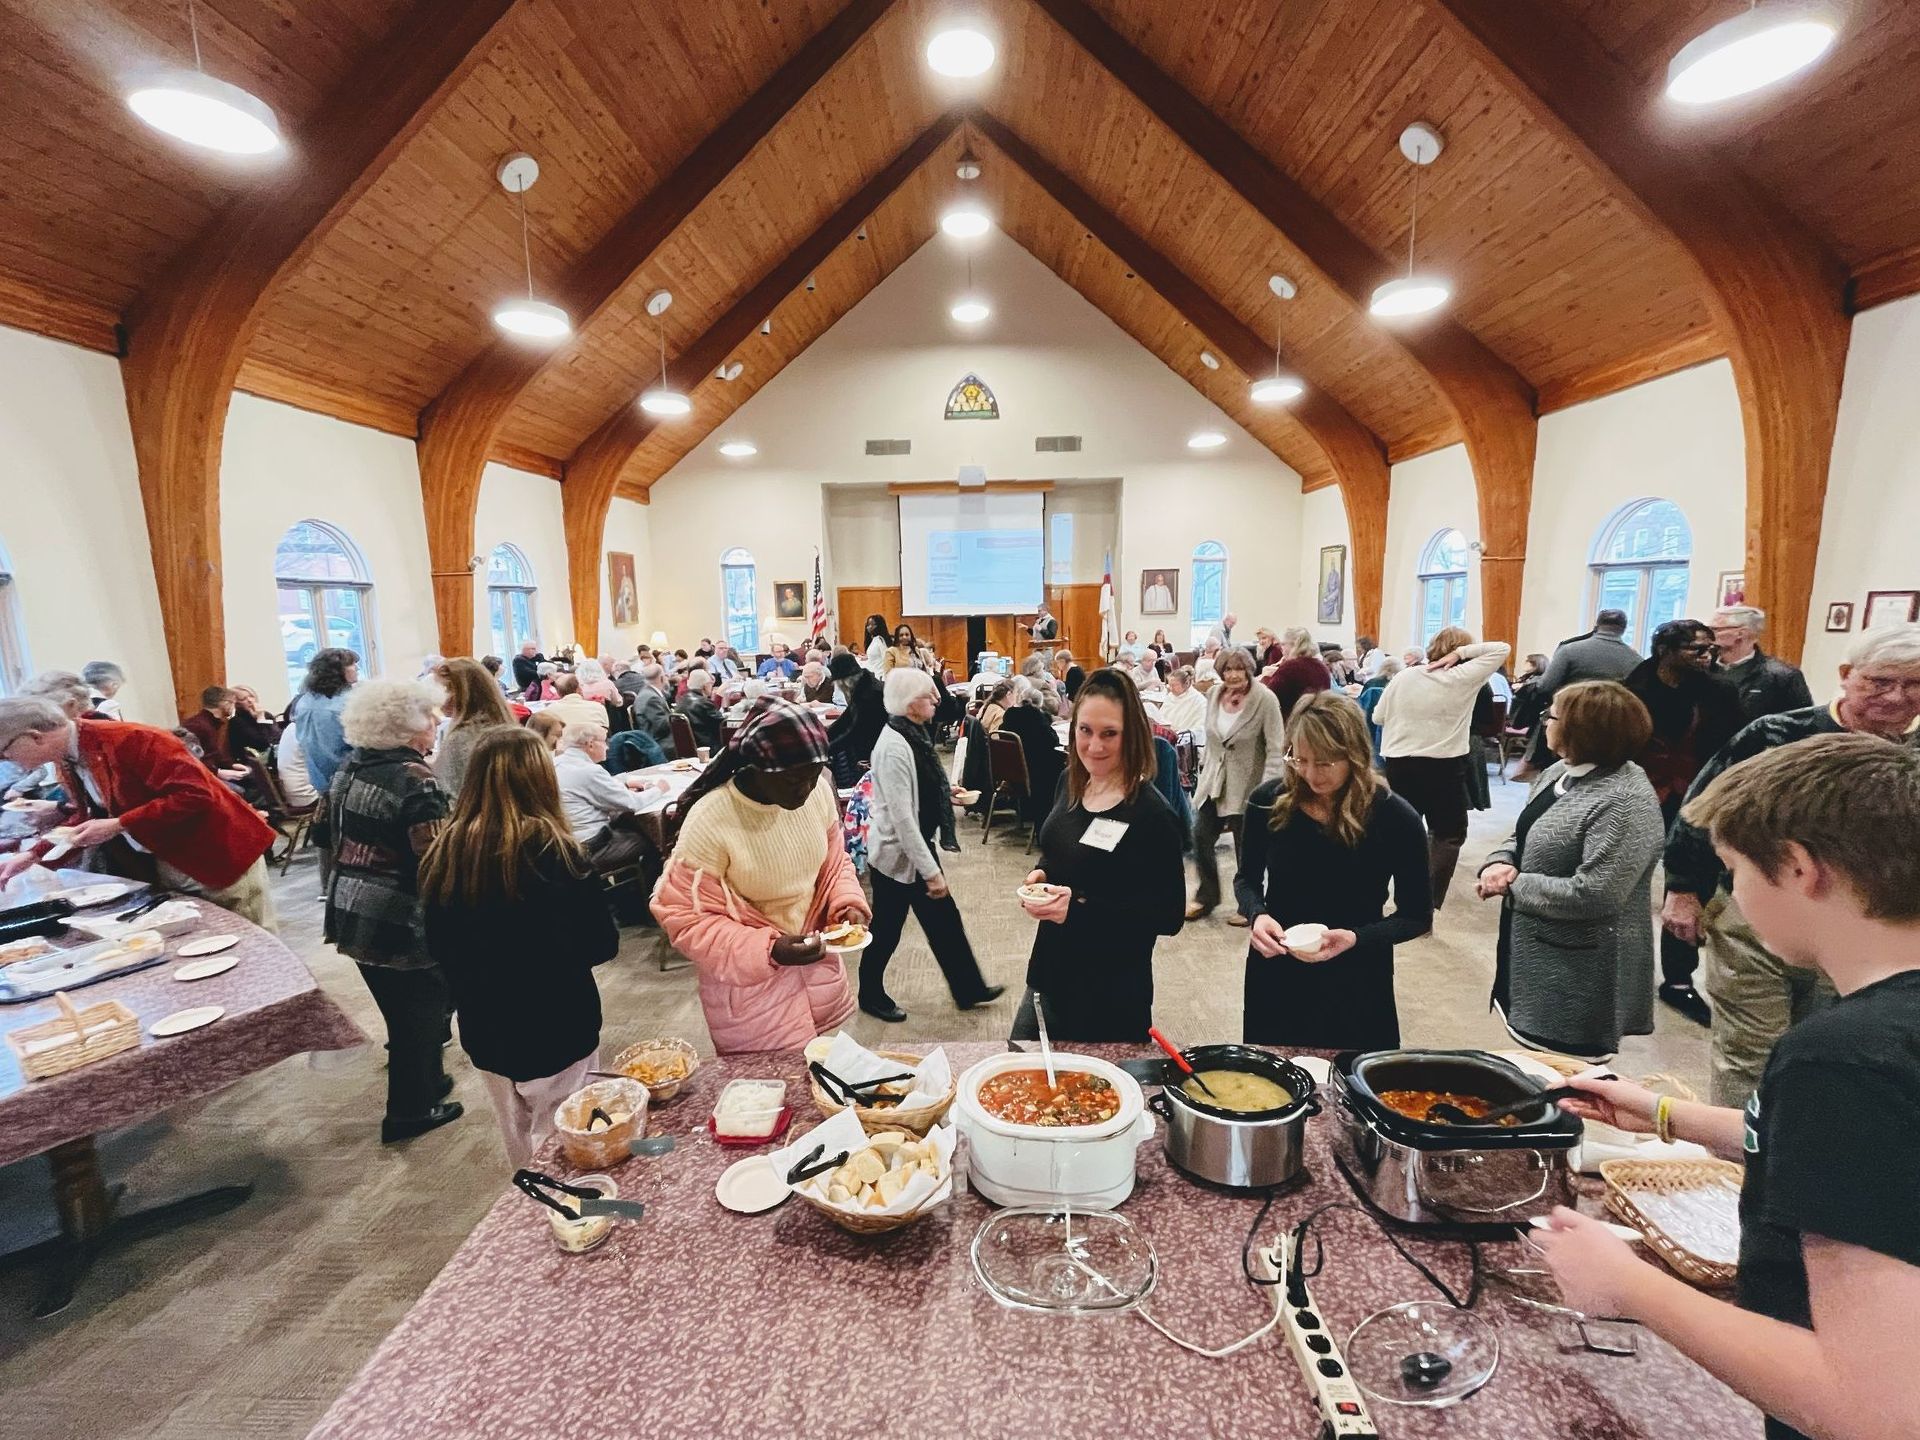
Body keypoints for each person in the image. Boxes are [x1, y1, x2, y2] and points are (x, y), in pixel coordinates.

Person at [1534, 734, 1920, 1440]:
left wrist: (1628, 1285)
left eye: (1733, 871)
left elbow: (1874, 1408)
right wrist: (1663, 1114)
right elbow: (1880, 1172)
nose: (1727, 895)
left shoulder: (1840, 1059)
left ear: (1801, 870)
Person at [1662, 623, 1920, 1105]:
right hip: (1758, 914)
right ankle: (1741, 1163)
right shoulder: (1780, 735)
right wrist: (1682, 888)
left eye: (1914, 684)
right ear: (1846, 675)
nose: (1897, 697)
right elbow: (1701, 811)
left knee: (1825, 1051)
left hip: (1867, 926)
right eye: (1880, 681)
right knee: (1751, 1052)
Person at [419, 728, 617, 1170]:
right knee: (568, 1136)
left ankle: (534, 1210)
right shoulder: (556, 852)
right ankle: (576, 1216)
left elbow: (435, 944)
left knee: (516, 1131)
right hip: (557, 1020)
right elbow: (601, 945)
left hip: (485, 1023)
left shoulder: (445, 850)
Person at [650, 698, 870, 1052]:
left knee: (821, 1080)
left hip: (814, 973)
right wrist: (768, 950)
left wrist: (846, 903)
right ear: (757, 768)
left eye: (814, 778)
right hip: (752, 989)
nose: (805, 791)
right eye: (794, 780)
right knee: (772, 1094)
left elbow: (833, 863)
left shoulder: (816, 797)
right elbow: (684, 917)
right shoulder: (712, 819)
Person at [1475, 681, 1665, 1060]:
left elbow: (1597, 894)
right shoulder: (1560, 772)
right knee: (1531, 1067)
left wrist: (1514, 886)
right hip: (1533, 951)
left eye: (1552, 715)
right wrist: (1500, 860)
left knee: (1564, 1080)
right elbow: (1523, 832)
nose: (1544, 721)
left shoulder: (1624, 801)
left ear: (1583, 730)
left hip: (1579, 970)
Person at [1236, 692, 1432, 1048]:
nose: (1311, 774)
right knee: (1274, 1077)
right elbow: (1246, 879)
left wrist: (1356, 938)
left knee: (1352, 1083)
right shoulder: (1267, 801)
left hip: (1357, 969)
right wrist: (1257, 915)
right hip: (1278, 964)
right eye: (1300, 758)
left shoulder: (1394, 816)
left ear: (1354, 754)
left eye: (1326, 763)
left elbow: (1417, 916)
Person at [0, 696, 279, 927]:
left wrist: (120, 824)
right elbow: (91, 816)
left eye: (5, 753)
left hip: (216, 854)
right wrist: (33, 854)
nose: (8, 761)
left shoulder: (134, 739)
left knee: (249, 937)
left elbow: (195, 795)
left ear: (34, 737)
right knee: (205, 938)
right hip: (169, 859)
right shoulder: (68, 757)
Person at [1015, 668, 1185, 1041]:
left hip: (1110, 990)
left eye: (1110, 733)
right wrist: (1042, 874)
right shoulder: (1070, 784)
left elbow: (1168, 915)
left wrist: (1076, 909)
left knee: (1096, 1097)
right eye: (1085, 730)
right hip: (1050, 970)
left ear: (1132, 735)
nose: (1094, 746)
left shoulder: (1151, 814)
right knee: (1022, 1079)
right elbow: (1061, 852)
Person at [324, 680, 459, 1143]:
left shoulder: (351, 766)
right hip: (396, 911)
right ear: (405, 727)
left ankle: (428, 1080)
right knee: (418, 1013)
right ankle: (409, 1112)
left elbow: (326, 834)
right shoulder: (413, 777)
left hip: (349, 902)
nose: (437, 725)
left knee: (404, 1008)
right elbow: (435, 858)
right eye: (430, 718)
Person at [858, 669, 1002, 1022]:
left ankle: (969, 988)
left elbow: (921, 787)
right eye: (928, 696)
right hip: (897, 856)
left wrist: (943, 793)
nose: (937, 700)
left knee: (945, 922)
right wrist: (932, 873)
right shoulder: (893, 746)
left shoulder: (913, 734)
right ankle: (869, 995)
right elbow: (903, 818)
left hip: (915, 847)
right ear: (909, 704)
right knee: (887, 931)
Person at [1626, 619, 1748, 1024]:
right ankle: (1620, 965)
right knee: (1625, 876)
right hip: (1639, 791)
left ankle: (1678, 979)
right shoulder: (1632, 686)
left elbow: (1733, 747)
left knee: (1689, 887)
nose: (1707, 657)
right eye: (1697, 650)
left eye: (1710, 650)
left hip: (1699, 797)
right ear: (1665, 650)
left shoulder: (1720, 690)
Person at [1373, 627, 1511, 907]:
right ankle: (1425, 902)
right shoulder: (1463, 677)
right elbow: (1501, 648)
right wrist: (1461, 654)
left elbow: (1378, 717)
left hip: (1399, 764)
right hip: (1443, 766)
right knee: (1447, 834)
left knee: (1399, 831)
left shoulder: (1404, 675)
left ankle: (1388, 894)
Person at [1187, 645, 1286, 924]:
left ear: (1249, 669)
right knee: (1201, 836)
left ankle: (1249, 905)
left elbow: (1276, 748)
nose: (1233, 675)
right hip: (1214, 782)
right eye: (1228, 669)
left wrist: (1268, 789)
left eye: (1239, 668)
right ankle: (1207, 897)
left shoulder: (1265, 699)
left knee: (1248, 848)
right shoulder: (1213, 695)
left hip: (1250, 786)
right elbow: (1212, 740)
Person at [1519, 609, 1643, 776]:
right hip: (1608, 728)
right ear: (1624, 629)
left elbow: (1545, 686)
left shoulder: (1570, 650)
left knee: (1555, 775)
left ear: (1596, 625)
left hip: (1567, 723)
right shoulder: (1635, 660)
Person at [552, 720, 668, 872]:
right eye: (604, 741)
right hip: (591, 845)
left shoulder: (558, 762)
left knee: (628, 823)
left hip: (565, 842)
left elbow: (596, 786)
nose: (607, 746)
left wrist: (625, 781)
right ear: (590, 744)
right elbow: (632, 803)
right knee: (654, 840)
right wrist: (659, 789)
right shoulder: (589, 771)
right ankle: (643, 889)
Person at [1711, 605, 1814, 722]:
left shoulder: (1782, 676)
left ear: (1741, 633)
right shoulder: (1701, 668)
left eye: (1716, 629)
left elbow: (1803, 722)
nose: (1709, 634)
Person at [431, 657, 516, 797]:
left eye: (444, 689)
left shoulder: (462, 738)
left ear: (462, 692)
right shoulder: (501, 726)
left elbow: (447, 792)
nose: (438, 698)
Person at [997, 677, 1067, 824]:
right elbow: (1053, 741)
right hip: (1036, 774)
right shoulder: (1038, 718)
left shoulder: (1009, 716)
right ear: (1039, 704)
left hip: (1013, 773)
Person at [295, 647, 359, 799]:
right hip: (348, 780)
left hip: (319, 779)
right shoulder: (346, 704)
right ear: (336, 671)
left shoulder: (304, 701)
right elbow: (364, 745)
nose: (356, 667)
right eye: (351, 664)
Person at [1264, 627, 1332, 719]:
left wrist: (1265, 678)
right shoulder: (1322, 667)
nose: (1281, 648)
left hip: (1293, 724)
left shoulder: (1289, 668)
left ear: (1295, 644)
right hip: (1318, 722)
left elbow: (1268, 698)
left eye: (1283, 644)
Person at [624, 662, 676, 756]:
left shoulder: (646, 692)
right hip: (659, 743)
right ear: (662, 678)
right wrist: (675, 715)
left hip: (652, 738)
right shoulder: (652, 698)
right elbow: (661, 726)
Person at [181, 685, 238, 768]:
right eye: (232, 703)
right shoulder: (198, 726)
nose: (233, 707)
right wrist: (218, 773)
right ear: (224, 703)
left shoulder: (210, 723)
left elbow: (215, 754)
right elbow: (191, 758)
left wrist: (232, 766)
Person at [674, 667, 724, 752]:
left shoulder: (681, 700)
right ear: (704, 686)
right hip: (707, 747)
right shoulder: (704, 704)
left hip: (688, 748)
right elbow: (722, 725)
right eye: (710, 684)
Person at [544, 672, 610, 733]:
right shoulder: (598, 707)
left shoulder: (549, 711)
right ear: (578, 689)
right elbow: (605, 730)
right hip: (593, 743)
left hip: (563, 744)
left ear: (558, 692)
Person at [227, 684, 277, 756]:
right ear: (236, 703)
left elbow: (277, 737)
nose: (250, 700)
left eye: (251, 696)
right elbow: (263, 745)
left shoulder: (266, 714)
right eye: (243, 699)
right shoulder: (236, 720)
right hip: (253, 760)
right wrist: (261, 719)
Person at [1158, 665, 1205, 733]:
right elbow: (1161, 717)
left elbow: (1200, 726)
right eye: (1169, 685)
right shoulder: (1170, 696)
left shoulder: (1199, 701)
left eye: (1174, 685)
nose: (1170, 688)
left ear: (1187, 684)